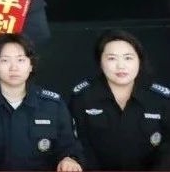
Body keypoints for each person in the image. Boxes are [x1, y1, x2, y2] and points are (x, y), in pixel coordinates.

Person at [0, 33, 82, 171]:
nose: (14, 68)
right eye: (5, 60)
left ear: (31, 65)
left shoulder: (53, 105)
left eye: (20, 60)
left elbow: (69, 146)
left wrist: (69, 159)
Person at [69, 29, 170, 170]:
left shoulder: (160, 99)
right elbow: (77, 145)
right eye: (112, 58)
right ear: (100, 62)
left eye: (128, 58)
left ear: (139, 60)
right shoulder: (83, 98)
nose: (121, 66)